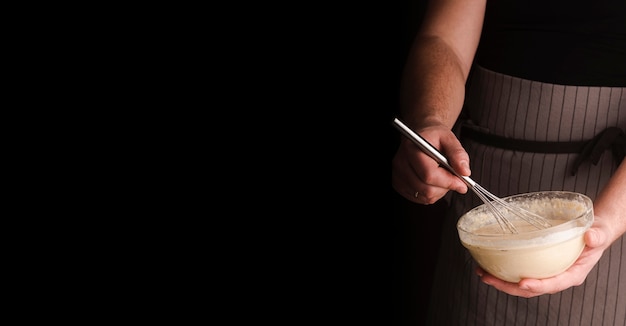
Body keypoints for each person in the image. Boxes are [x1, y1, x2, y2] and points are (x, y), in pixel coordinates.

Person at [391, 0, 626, 325]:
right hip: (484, 184)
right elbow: (444, 38)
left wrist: (606, 224)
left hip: (615, 202)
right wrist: (431, 118)